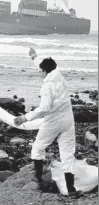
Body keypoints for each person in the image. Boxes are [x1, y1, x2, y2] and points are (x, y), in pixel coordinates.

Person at [14, 48, 82, 198]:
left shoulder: (47, 86)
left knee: (38, 148)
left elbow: (44, 108)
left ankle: (38, 180)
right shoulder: (60, 77)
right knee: (67, 153)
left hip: (53, 121)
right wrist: (34, 57)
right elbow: (43, 65)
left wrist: (25, 118)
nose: (39, 74)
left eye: (40, 71)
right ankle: (71, 189)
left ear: (45, 71)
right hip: (68, 120)